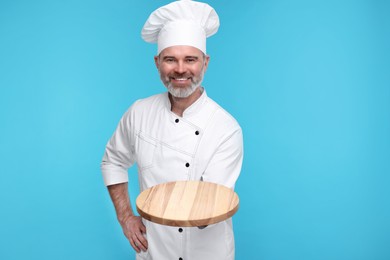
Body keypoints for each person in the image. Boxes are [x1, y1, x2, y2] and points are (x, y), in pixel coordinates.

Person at [101, 1, 243, 259]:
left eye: (190, 59)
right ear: (157, 62)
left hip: (208, 253)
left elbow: (205, 211)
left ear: (205, 62)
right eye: (170, 59)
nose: (180, 69)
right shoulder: (139, 112)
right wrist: (125, 218)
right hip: (154, 251)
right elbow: (113, 161)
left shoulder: (226, 128)